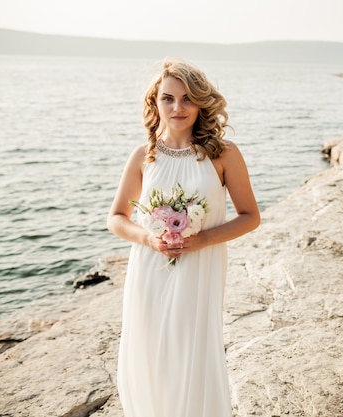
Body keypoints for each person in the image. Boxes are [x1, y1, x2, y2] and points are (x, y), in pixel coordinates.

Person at [107, 57, 260, 417]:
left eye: (188, 98)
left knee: (191, 349)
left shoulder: (223, 154)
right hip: (149, 268)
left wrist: (202, 240)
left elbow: (250, 216)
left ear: (201, 103)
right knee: (150, 351)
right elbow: (116, 218)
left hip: (199, 267)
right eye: (168, 98)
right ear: (154, 103)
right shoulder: (143, 156)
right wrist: (148, 239)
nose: (178, 107)